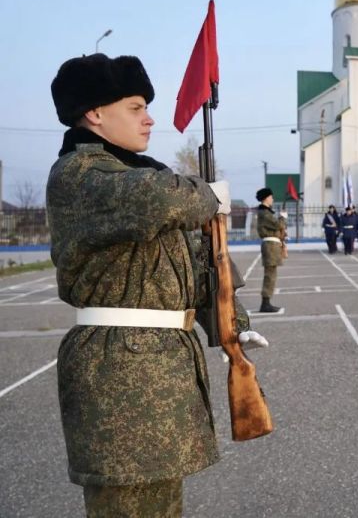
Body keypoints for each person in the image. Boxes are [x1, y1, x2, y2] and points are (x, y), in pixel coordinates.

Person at [47, 53, 268, 516]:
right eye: (135, 107)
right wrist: (207, 193)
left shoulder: (139, 175)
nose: (149, 119)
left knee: (162, 506)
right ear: (95, 112)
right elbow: (157, 200)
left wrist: (232, 324)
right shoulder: (80, 174)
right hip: (119, 375)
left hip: (158, 372)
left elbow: (193, 267)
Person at [255, 188, 286, 313]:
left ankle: (267, 302)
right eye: (271, 197)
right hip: (270, 245)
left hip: (273, 245)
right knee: (270, 275)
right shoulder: (264, 212)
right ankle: (265, 303)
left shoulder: (266, 212)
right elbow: (279, 225)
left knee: (271, 274)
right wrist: (282, 217)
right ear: (266, 198)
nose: (272, 199)